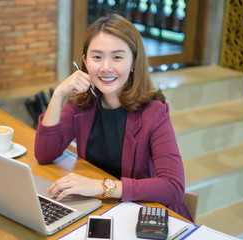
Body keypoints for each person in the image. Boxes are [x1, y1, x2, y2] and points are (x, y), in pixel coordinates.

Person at [34, 13, 193, 222]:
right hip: (100, 210)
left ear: (134, 62)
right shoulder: (82, 101)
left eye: (117, 57)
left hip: (143, 214)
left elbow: (173, 187)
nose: (105, 67)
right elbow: (45, 154)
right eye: (97, 57)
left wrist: (103, 187)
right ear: (84, 61)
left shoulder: (155, 113)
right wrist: (58, 94)